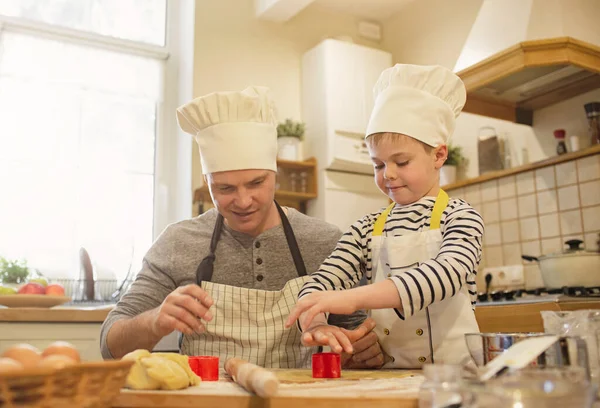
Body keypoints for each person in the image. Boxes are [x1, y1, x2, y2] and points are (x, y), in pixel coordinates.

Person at [100, 86, 384, 369]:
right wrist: (155, 321)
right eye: (225, 188)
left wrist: (357, 351)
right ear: (207, 182)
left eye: (256, 183)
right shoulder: (179, 242)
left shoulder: (325, 241)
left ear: (275, 175)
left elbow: (359, 338)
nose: (243, 201)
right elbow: (110, 347)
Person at [285, 64, 484, 368]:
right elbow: (323, 282)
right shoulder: (365, 229)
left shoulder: (460, 217)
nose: (388, 174)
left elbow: (443, 276)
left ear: (439, 155)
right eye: (378, 165)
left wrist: (353, 298)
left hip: (457, 378)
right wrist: (315, 322)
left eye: (401, 161)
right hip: (388, 379)